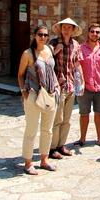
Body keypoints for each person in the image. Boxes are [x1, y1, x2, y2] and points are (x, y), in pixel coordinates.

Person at [17, 26, 59, 175]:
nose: (43, 37)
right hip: (34, 94)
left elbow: (52, 70)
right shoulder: (27, 54)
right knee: (31, 129)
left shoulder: (49, 50)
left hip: (50, 93)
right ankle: (28, 162)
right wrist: (24, 92)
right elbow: (20, 74)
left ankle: (44, 159)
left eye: (45, 35)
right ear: (35, 36)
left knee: (47, 130)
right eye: (40, 34)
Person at [49, 18, 82, 159]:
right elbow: (46, 60)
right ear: (61, 29)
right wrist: (55, 52)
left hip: (70, 85)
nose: (67, 29)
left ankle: (61, 145)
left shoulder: (75, 44)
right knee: (57, 118)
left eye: (69, 27)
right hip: (58, 85)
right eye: (64, 27)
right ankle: (52, 147)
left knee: (67, 119)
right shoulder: (53, 43)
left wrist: (82, 81)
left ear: (73, 30)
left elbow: (77, 63)